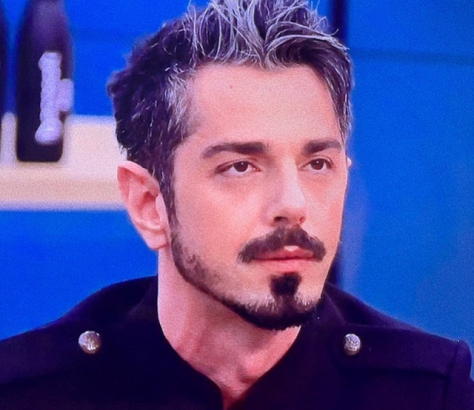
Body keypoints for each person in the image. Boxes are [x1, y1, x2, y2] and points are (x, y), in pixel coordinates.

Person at [0, 0, 473, 408]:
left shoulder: (428, 393)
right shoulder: (29, 393)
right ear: (148, 204)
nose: (293, 204)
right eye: (241, 167)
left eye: (317, 164)